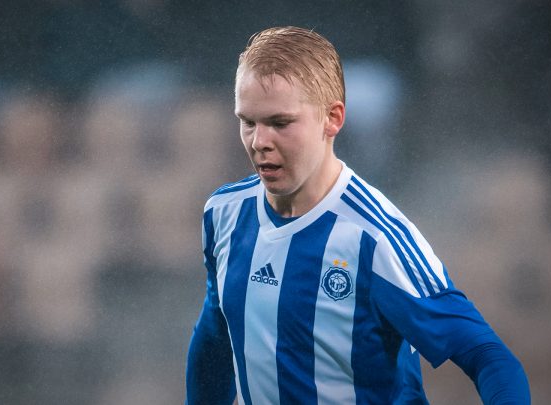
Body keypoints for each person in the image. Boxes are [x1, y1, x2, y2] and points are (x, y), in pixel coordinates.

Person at [185, 26, 530, 404]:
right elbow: (216, 337)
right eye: (248, 121)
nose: (259, 141)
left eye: (280, 123)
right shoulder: (224, 214)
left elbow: (489, 358)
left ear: (332, 118)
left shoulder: (376, 238)